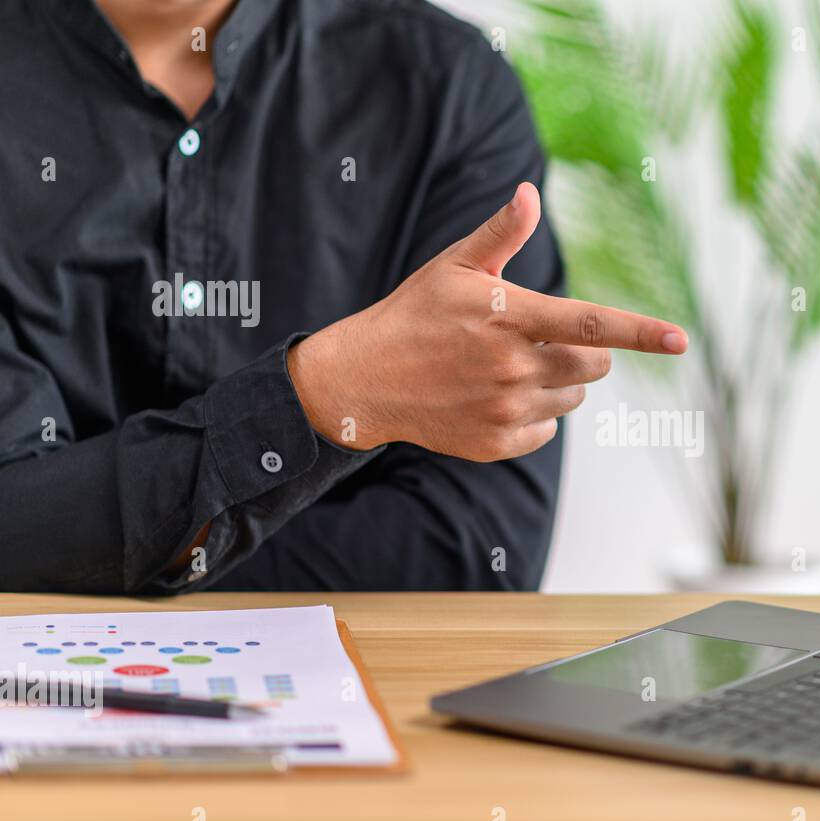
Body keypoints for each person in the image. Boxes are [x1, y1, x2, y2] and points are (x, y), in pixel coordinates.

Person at [0, 0, 688, 593]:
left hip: (382, 706)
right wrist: (325, 397)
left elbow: (472, 551)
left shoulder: (447, 91)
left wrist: (100, 550)